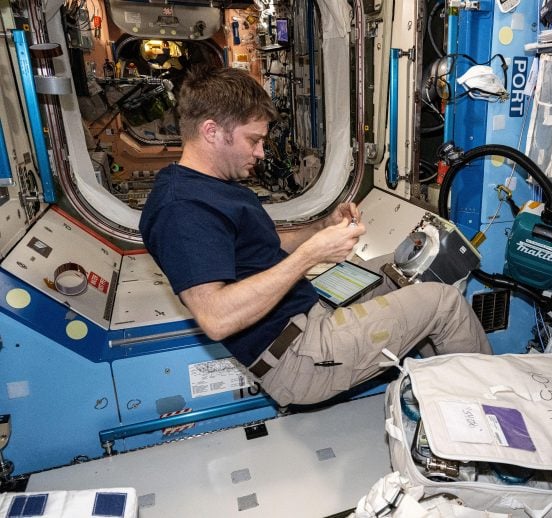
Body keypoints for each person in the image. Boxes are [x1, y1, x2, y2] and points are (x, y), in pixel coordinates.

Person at [139, 66, 491, 407]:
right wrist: (310, 255)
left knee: (403, 266)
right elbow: (216, 318)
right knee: (442, 302)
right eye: (253, 140)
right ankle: (494, 411)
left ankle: (445, 392)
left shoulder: (214, 188)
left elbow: (265, 247)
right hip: (298, 357)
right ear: (212, 131)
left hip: (308, 315)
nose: (261, 153)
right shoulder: (180, 209)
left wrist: (322, 228)